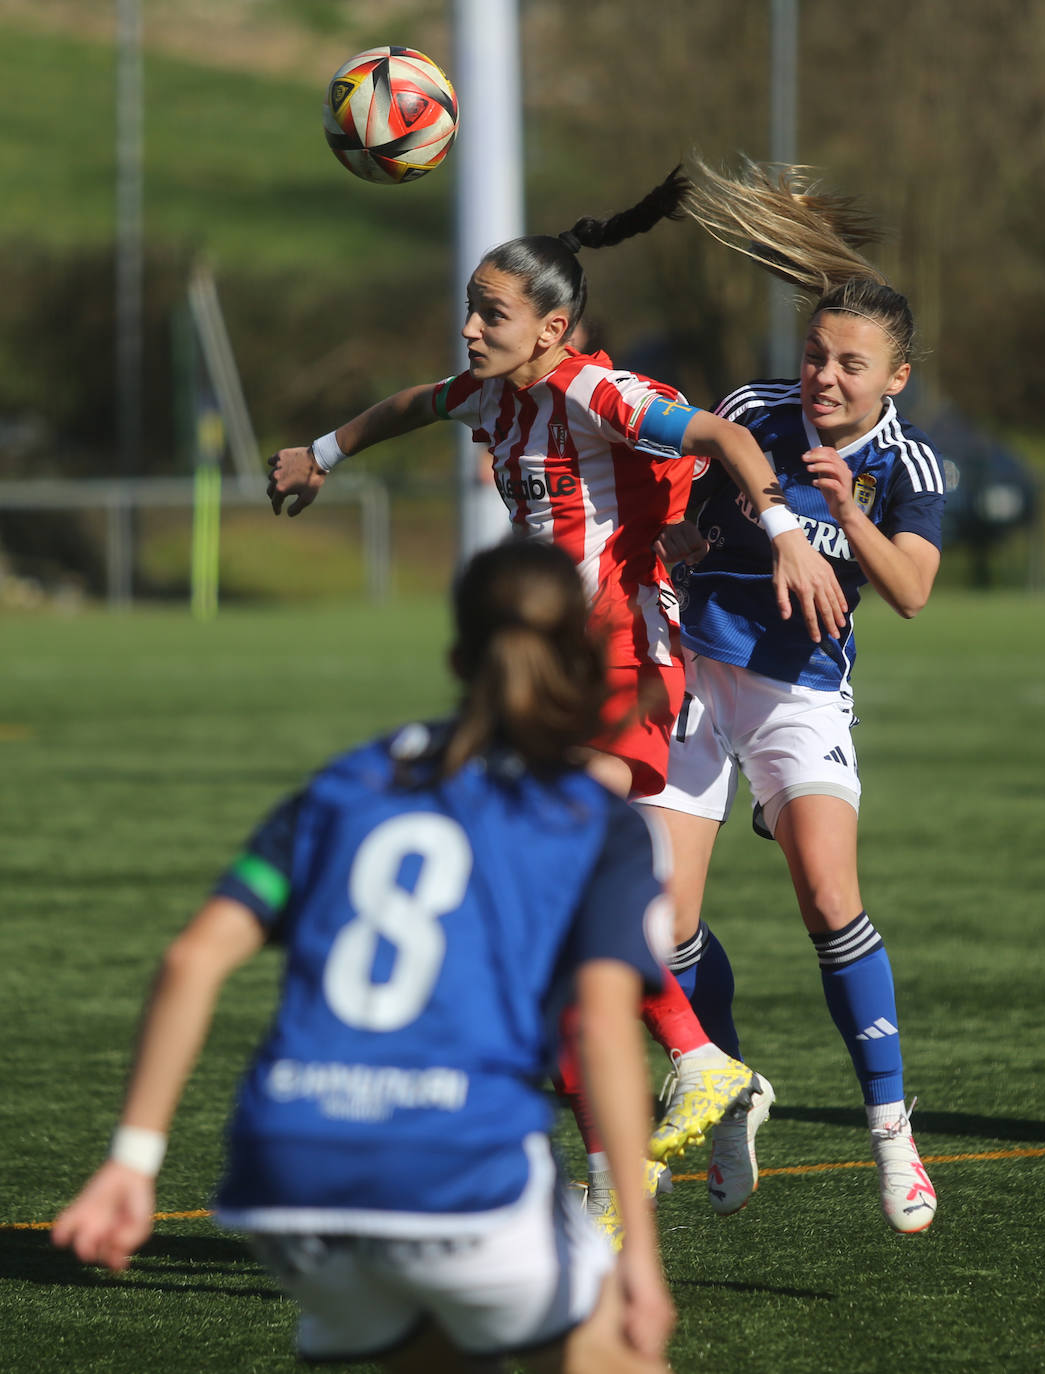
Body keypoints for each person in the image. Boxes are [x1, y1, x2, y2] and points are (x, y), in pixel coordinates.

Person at [265, 169, 850, 1235]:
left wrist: (778, 532)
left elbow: (720, 439)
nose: (470, 327)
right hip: (554, 675)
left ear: (553, 327)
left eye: (492, 313)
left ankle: (695, 1066)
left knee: (553, 879)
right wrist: (325, 453)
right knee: (542, 928)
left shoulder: (593, 391)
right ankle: (629, 1156)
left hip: (626, 656)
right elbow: (412, 404)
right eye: (473, 307)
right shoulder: (493, 392)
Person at [53, 540, 677, 1374]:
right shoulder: (592, 818)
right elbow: (600, 1028)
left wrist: (132, 1162)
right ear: (586, 655)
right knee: (605, 1351)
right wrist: (639, 1252)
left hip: (290, 1166)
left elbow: (191, 960)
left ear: (455, 656)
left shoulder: (345, 783)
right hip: (460, 1162)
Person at [641, 158, 943, 1234]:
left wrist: (842, 518)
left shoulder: (910, 467)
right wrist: (680, 539)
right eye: (816, 354)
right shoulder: (751, 411)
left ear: (892, 379)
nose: (824, 377)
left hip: (798, 696)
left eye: (850, 365)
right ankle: (723, 1091)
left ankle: (891, 1133)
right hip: (693, 676)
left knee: (826, 898)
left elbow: (907, 591)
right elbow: (687, 515)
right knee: (660, 924)